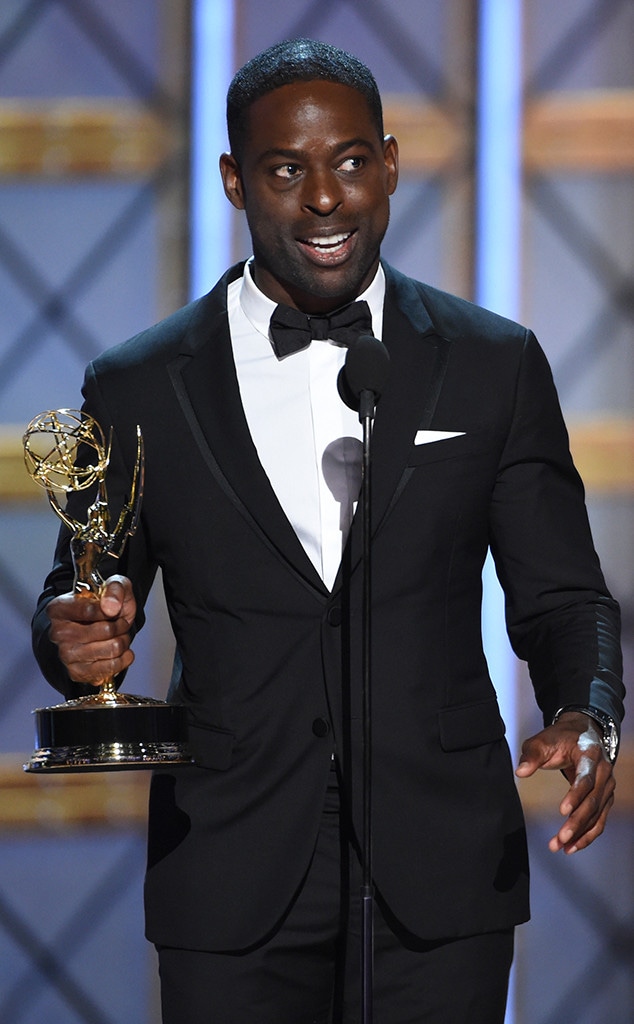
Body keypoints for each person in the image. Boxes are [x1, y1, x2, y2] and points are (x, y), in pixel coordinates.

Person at [32, 38, 624, 1024]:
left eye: (350, 162)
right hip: (230, 863)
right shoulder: (137, 384)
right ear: (232, 180)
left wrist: (588, 709)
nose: (323, 197)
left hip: (439, 868)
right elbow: (83, 593)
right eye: (284, 169)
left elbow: (563, 595)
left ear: (388, 163)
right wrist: (74, 632)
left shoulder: (489, 364)